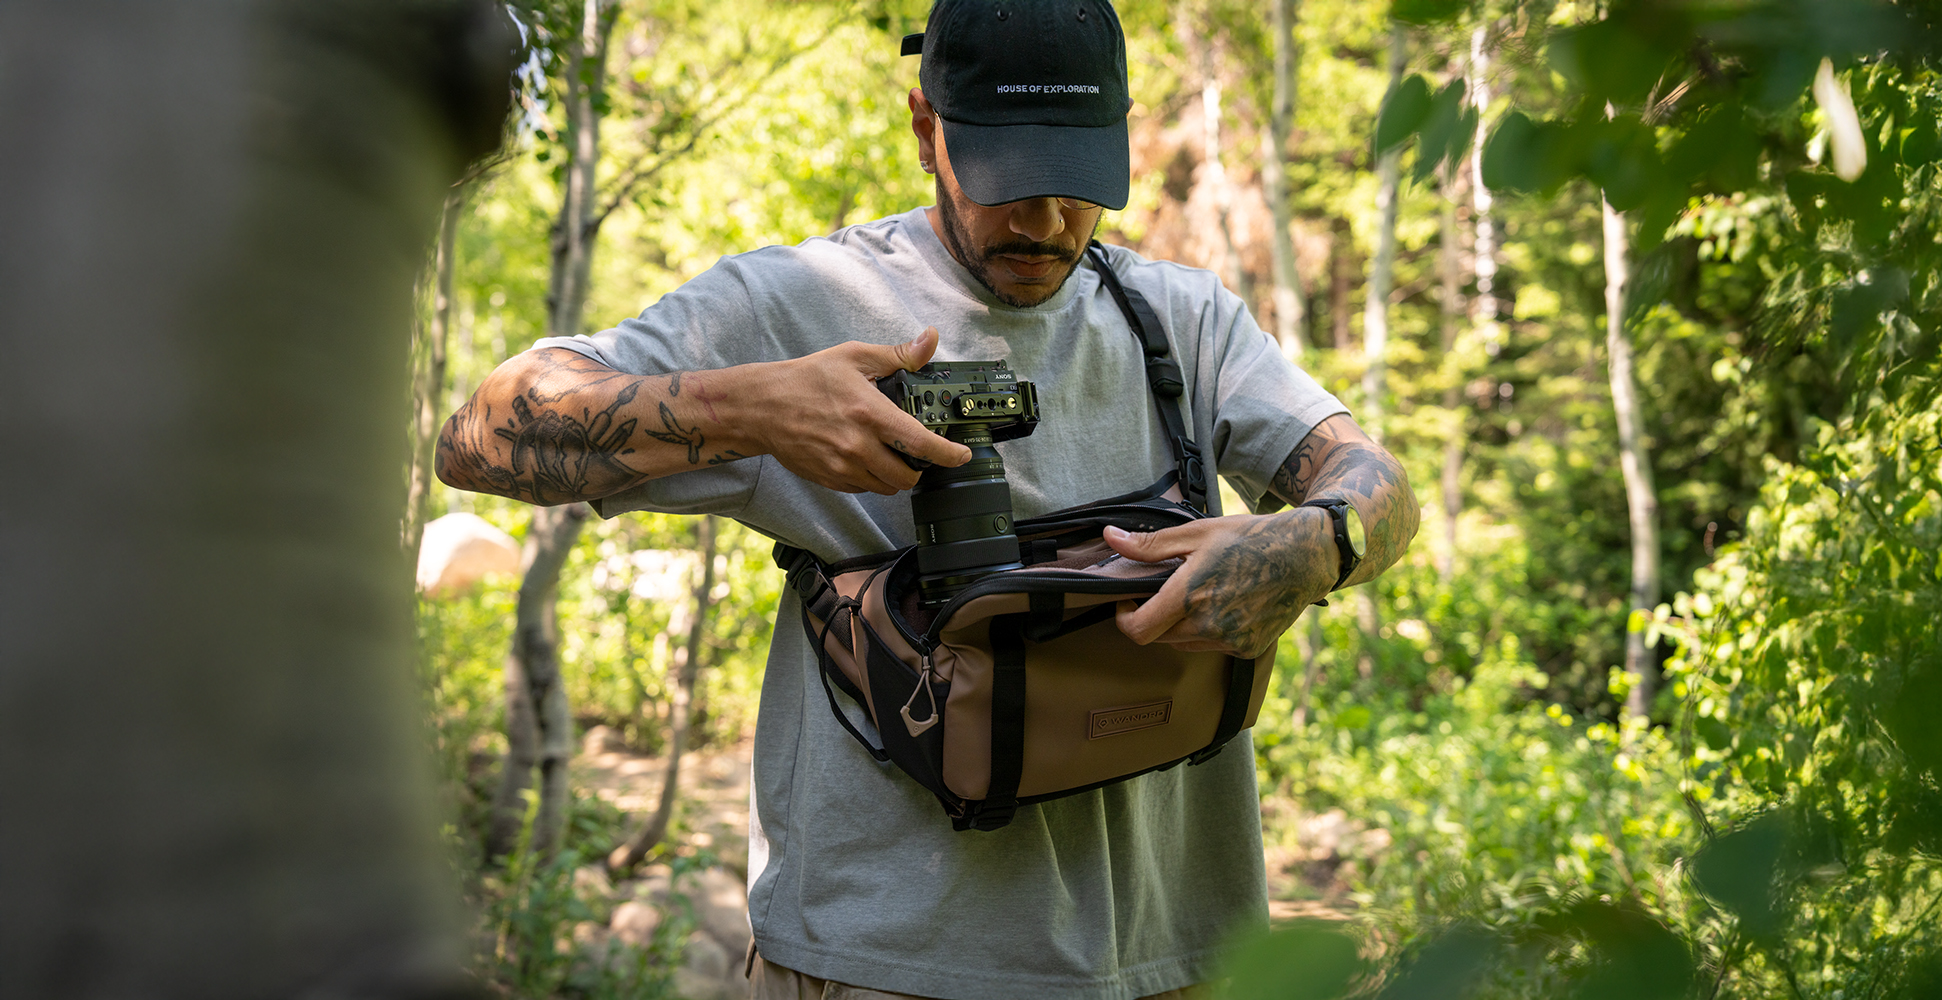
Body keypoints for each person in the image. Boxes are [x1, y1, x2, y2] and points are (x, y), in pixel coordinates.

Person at [438, 0, 1418, 996]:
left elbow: (1377, 486)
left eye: (1075, 178)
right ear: (924, 130)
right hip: (883, 965)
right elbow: (479, 435)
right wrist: (753, 407)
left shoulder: (1183, 322)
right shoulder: (803, 301)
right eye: (1006, 177)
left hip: (1177, 957)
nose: (1043, 221)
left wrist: (1314, 545)